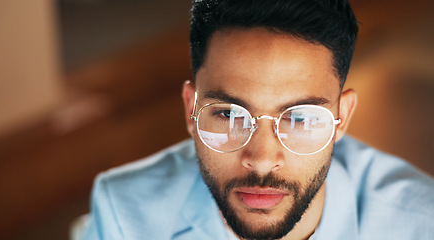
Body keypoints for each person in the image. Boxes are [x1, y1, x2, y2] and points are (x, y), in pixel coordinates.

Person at [78, 0, 434, 239]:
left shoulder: (420, 222)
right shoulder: (123, 215)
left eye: (301, 118)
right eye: (229, 114)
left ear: (342, 118)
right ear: (191, 109)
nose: (262, 159)